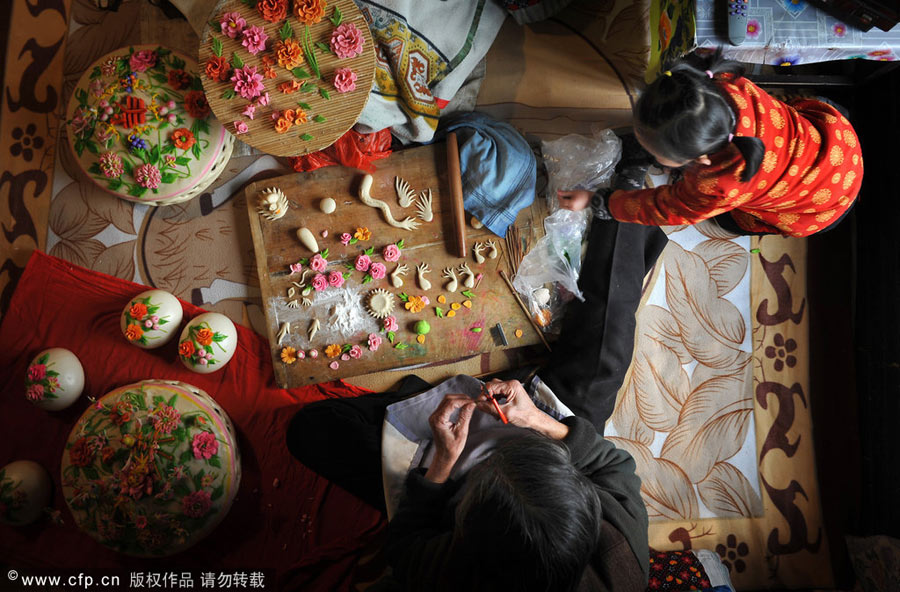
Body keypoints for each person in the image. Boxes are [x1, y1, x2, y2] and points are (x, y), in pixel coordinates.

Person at [287, 217, 669, 591]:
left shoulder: (457, 573)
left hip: (444, 478)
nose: (493, 448)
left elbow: (406, 549)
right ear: (586, 508)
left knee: (312, 431)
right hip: (544, 431)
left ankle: (421, 405)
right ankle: (626, 206)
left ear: (465, 529)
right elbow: (615, 464)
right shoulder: (622, 561)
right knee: (605, 352)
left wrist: (441, 464)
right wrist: (539, 421)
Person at [558, 49, 864, 237]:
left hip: (821, 208)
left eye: (657, 155)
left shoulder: (718, 185)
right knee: (806, 115)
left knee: (730, 223)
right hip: (837, 140)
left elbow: (666, 208)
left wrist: (603, 202)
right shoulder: (724, 83)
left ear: (701, 160)